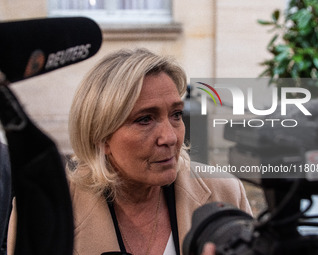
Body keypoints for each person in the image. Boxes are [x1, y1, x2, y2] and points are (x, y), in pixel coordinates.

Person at [68, 48, 252, 255]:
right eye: (145, 119)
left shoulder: (225, 191)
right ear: (100, 137)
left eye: (176, 114)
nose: (171, 138)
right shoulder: (54, 209)